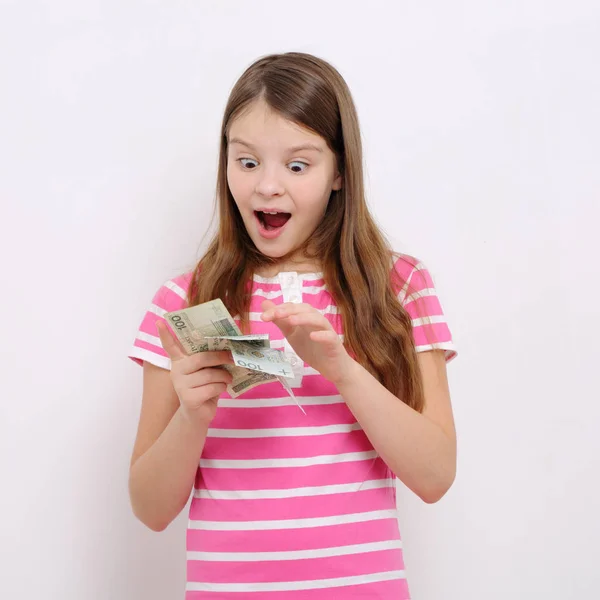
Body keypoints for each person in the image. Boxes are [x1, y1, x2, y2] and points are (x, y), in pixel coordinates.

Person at [128, 51, 458, 599]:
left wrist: (342, 370)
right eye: (247, 161)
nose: (267, 187)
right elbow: (150, 508)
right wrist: (192, 415)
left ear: (339, 174)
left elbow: (435, 475)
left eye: (298, 165)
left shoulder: (397, 288)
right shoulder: (185, 301)